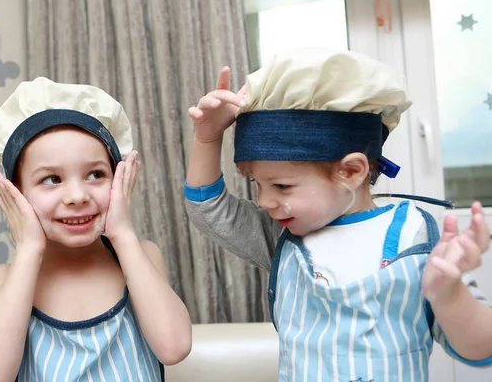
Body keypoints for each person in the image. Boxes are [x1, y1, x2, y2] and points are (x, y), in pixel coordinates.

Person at [184, 48, 492, 380]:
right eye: (257, 184)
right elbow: (208, 209)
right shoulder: (281, 240)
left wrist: (448, 293)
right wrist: (208, 137)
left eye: (282, 186)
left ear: (352, 171)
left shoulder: (417, 239)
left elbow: (480, 351)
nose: (265, 202)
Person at [0, 77, 192, 381]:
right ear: (15, 193)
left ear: (120, 177)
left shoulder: (141, 257)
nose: (77, 196)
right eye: (52, 179)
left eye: (96, 174)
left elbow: (174, 347)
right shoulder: (8, 279)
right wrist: (29, 250)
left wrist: (123, 233)